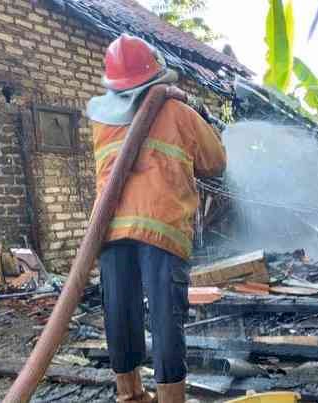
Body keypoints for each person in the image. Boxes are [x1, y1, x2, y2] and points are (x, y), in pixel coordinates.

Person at [86, 35, 226, 403]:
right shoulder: (179, 113)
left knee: (119, 310)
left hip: (109, 229)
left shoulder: (101, 121)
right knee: (165, 315)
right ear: (157, 73)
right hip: (161, 228)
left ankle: (129, 394)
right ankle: (171, 399)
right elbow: (216, 163)